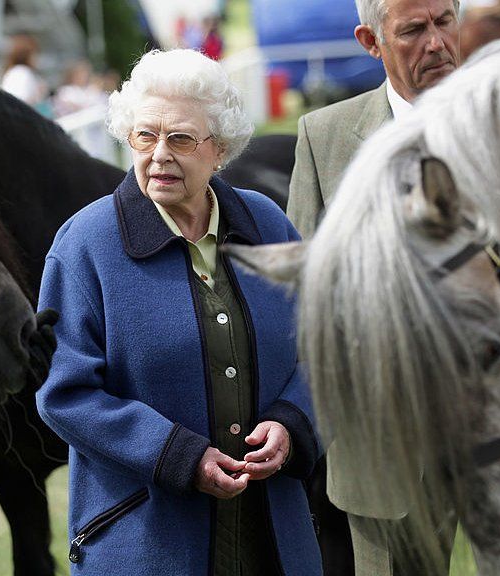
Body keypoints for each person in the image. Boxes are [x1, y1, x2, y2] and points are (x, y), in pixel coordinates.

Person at [36, 48, 322, 575]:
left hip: (274, 542)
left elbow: (321, 351)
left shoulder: (267, 225)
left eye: (182, 138)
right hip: (145, 544)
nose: (160, 154)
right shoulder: (84, 245)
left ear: (220, 149)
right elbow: (65, 391)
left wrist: (292, 423)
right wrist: (176, 455)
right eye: (146, 136)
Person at [286, 0, 462, 573]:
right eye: (413, 30)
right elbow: (303, 292)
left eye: (444, 21)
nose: (435, 43)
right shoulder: (323, 136)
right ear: (370, 40)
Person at [1, 33, 49, 112]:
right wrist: (38, 94)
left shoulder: (15, 72)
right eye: (35, 53)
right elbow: (18, 102)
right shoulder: (21, 72)